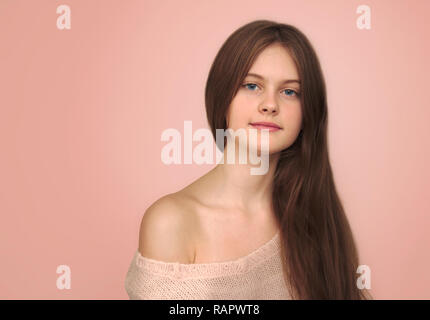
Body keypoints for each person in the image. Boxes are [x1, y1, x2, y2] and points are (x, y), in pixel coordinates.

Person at [125, 19, 371, 300]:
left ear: (308, 114)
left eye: (289, 91)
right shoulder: (170, 221)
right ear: (222, 97)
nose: (270, 104)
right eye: (252, 85)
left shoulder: (315, 218)